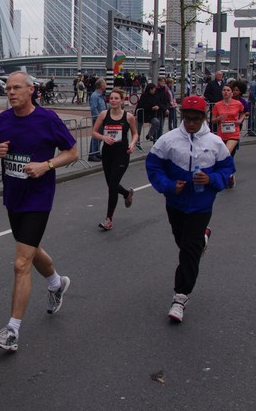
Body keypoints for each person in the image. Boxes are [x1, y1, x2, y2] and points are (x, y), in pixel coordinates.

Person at [0, 71, 78, 352]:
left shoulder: (47, 119)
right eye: (8, 88)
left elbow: (72, 152)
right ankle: (56, 283)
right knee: (31, 249)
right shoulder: (2, 120)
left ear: (31, 90)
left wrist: (46, 165)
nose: (11, 92)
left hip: (38, 199)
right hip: (13, 197)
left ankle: (12, 331)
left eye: (16, 88)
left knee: (20, 263)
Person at [146, 95, 234, 324]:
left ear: (204, 118)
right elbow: (153, 166)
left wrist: (211, 179)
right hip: (175, 204)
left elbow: (227, 170)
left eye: (196, 119)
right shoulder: (168, 140)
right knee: (182, 242)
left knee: (189, 251)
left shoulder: (215, 142)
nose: (192, 123)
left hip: (201, 206)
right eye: (188, 119)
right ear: (182, 117)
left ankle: (180, 297)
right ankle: (202, 239)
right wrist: (169, 186)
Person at [91, 88, 139, 231]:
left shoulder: (128, 117)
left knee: (112, 186)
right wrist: (104, 137)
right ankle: (127, 193)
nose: (113, 101)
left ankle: (108, 220)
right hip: (107, 154)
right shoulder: (103, 114)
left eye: (116, 98)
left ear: (122, 100)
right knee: (111, 184)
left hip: (122, 154)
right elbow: (94, 132)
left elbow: (135, 133)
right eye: (111, 98)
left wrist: (132, 144)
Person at [211, 84, 244, 188]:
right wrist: (218, 118)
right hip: (222, 134)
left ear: (231, 93)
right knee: (228, 156)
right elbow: (212, 120)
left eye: (228, 90)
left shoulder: (237, 104)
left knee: (226, 153)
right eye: (224, 90)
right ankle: (230, 174)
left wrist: (240, 120)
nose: (225, 92)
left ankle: (228, 175)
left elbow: (244, 113)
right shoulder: (217, 105)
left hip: (234, 133)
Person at [88, 78, 107, 161]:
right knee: (96, 137)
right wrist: (99, 118)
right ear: (101, 85)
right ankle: (92, 154)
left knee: (100, 136)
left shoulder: (101, 95)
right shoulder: (95, 95)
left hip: (102, 119)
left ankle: (97, 152)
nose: (106, 85)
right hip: (98, 119)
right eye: (105, 83)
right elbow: (93, 108)